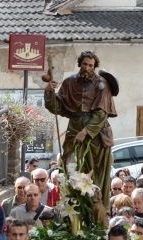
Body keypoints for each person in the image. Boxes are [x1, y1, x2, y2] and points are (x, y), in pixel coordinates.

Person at [44, 50, 116, 209]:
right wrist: (49, 91)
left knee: (94, 173)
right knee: (71, 167)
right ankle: (73, 207)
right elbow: (58, 108)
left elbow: (101, 114)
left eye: (91, 65)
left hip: (97, 134)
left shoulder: (101, 84)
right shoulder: (69, 82)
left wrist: (86, 131)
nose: (87, 68)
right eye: (85, 64)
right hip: (74, 128)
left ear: (94, 66)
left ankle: (95, 208)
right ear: (80, 64)